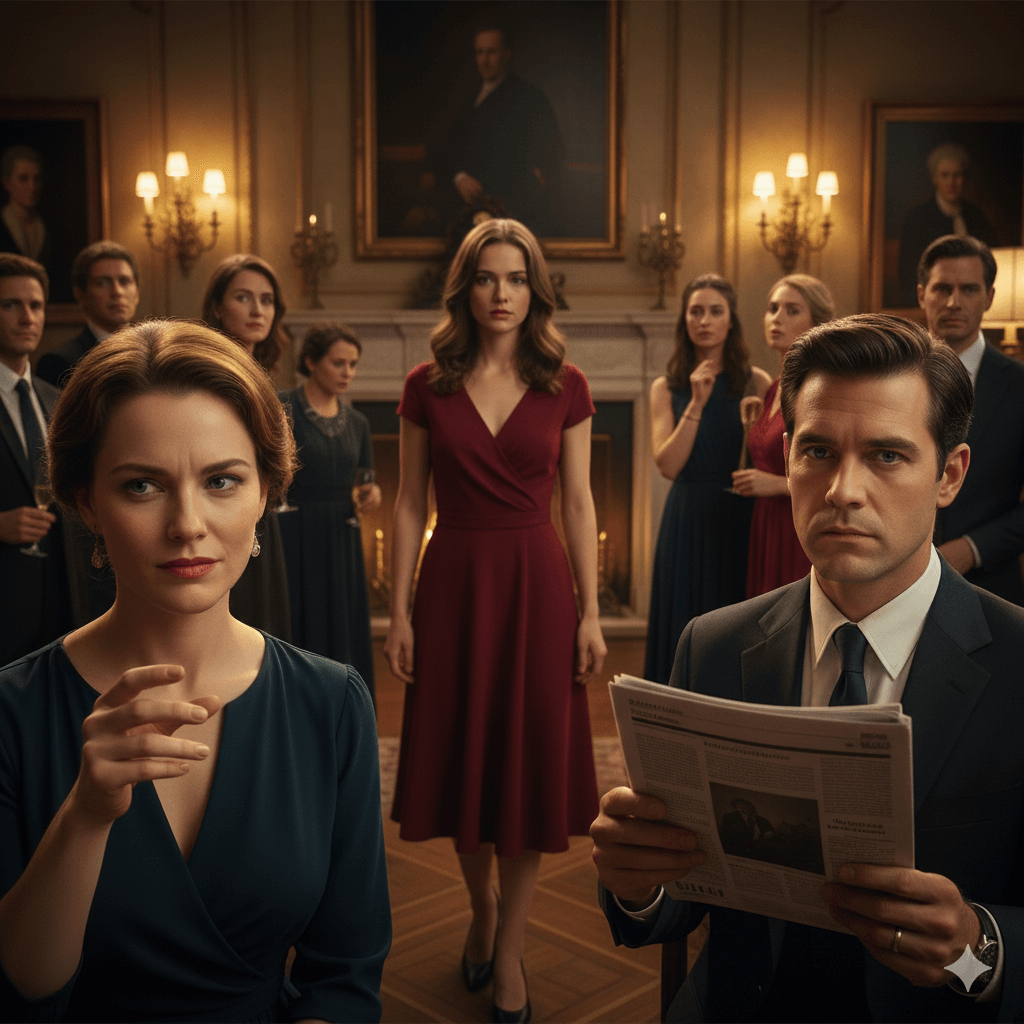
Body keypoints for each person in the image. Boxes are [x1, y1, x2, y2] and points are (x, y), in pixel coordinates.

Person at [592, 314, 1024, 1023]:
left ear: (949, 475)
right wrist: (636, 882)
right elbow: (671, 902)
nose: (842, 491)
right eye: (818, 451)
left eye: (887, 456)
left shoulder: (1016, 664)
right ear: (787, 456)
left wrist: (979, 950)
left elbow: (994, 963)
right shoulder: (714, 645)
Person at [0, 320, 390, 1022]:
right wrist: (85, 819)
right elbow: (23, 984)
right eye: (143, 485)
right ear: (86, 502)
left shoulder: (331, 703)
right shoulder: (12, 710)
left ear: (268, 492)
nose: (187, 523)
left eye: (220, 481)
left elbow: (345, 973)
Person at [385, 218, 605, 1023]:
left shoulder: (565, 384)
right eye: (486, 278)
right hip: (453, 582)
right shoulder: (426, 383)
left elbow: (578, 503)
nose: (502, 293)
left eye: (516, 278)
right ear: (466, 288)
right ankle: (478, 909)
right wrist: (398, 610)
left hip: (537, 583)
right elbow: (410, 503)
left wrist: (590, 612)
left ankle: (509, 946)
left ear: (533, 288)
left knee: (526, 768)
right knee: (463, 760)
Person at [643, 274, 772, 684]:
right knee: (684, 622)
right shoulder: (667, 387)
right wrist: (696, 403)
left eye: (715, 311)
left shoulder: (757, 382)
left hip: (742, 516)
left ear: (730, 320)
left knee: (736, 623)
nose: (705, 320)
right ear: (684, 320)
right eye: (695, 311)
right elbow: (668, 465)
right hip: (688, 517)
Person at [917, 234, 1024, 605]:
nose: (953, 302)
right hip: (891, 584)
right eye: (942, 288)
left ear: (989, 297)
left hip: (988, 587)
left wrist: (971, 548)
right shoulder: (889, 380)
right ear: (921, 295)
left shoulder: (1020, 385)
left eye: (969, 289)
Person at [278, 323, 380, 694]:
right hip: (294, 530)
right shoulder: (282, 406)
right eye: (338, 363)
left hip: (342, 530)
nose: (347, 373)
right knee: (300, 618)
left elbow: (367, 479)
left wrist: (373, 493)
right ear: (310, 361)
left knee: (344, 621)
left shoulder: (359, 422)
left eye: (352, 365)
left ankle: (344, 701)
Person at [201, 254, 291, 639]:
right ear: (218, 307)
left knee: (263, 626)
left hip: (262, 514)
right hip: (217, 512)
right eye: (244, 297)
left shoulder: (264, 375)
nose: (257, 309)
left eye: (267, 300)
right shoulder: (203, 369)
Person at [732, 274, 835, 596]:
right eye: (773, 308)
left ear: (816, 322)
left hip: (800, 526)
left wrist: (774, 484)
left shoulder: (819, 387)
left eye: (792, 310)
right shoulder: (775, 387)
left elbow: (833, 471)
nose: (777, 318)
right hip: (767, 525)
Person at [0, 254, 71, 665]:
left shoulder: (56, 400)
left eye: (36, 306)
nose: (27, 317)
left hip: (59, 602)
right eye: (11, 305)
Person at [430, 23, 565, 238]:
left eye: (491, 52)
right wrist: (460, 177)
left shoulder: (530, 99)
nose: (484, 60)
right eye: (479, 52)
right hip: (462, 208)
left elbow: (542, 160)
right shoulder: (464, 100)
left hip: (509, 212)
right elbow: (444, 149)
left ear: (507, 54)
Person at [897, 143, 996, 306]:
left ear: (964, 178)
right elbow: (907, 274)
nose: (952, 182)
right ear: (935, 178)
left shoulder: (976, 217)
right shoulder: (917, 219)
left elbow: (990, 263)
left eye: (957, 175)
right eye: (945, 175)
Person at [35, 241, 141, 389]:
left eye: (124, 281)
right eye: (102, 283)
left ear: (136, 293)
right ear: (81, 295)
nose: (117, 292)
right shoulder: (60, 363)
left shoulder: (153, 352)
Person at [0, 146, 47, 267]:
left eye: (37, 179)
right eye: (23, 179)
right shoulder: (3, 223)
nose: (32, 187)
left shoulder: (45, 225)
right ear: (7, 183)